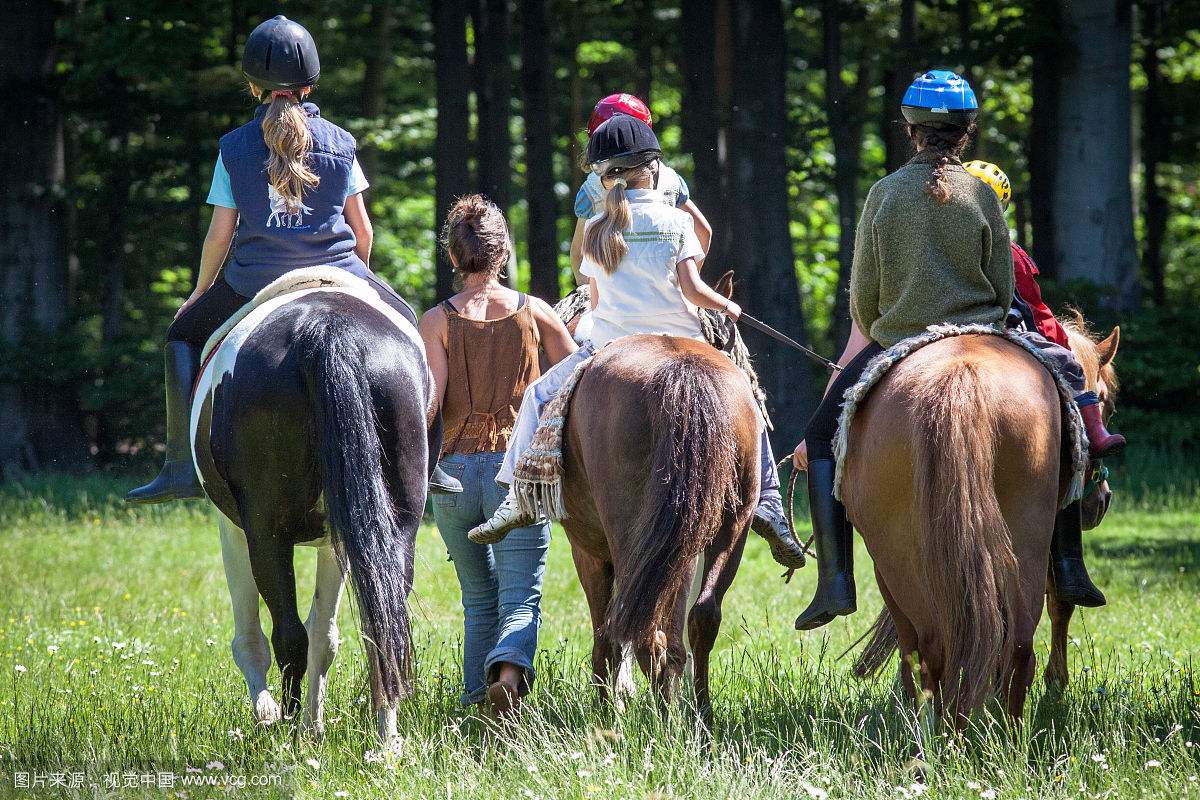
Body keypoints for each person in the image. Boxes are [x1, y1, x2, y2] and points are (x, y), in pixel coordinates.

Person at [125, 15, 459, 504]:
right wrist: (361, 273)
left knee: (180, 336)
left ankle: (179, 466)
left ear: (252, 84)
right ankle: (427, 460)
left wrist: (199, 292)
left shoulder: (234, 147)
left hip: (253, 279)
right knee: (408, 326)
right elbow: (362, 229)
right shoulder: (342, 142)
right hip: (338, 270)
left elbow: (220, 235)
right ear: (310, 82)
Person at [467, 115, 807, 569]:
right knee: (746, 399)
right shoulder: (674, 220)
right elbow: (691, 290)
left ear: (604, 176)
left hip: (610, 345)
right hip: (682, 337)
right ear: (654, 166)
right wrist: (728, 308)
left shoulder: (597, 228)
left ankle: (519, 494)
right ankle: (766, 501)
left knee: (537, 395)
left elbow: (593, 297)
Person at [792, 70, 1020, 630]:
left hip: (901, 343)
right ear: (967, 130)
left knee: (822, 437)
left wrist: (892, 322)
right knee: (1063, 406)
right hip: (985, 336)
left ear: (910, 130)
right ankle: (1065, 561)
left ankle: (835, 582)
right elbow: (1003, 285)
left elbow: (865, 299)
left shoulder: (884, 194)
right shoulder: (982, 194)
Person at [418, 196, 577, 715]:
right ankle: (508, 674)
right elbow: (578, 378)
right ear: (503, 251)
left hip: (455, 476)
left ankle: (472, 707)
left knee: (477, 600)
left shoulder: (437, 321)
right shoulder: (537, 313)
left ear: (453, 256)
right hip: (519, 474)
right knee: (520, 595)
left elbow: (431, 404)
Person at [962, 159, 1125, 456]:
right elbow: (1034, 310)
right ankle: (1095, 433)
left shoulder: (935, 247)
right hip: (998, 329)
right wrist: (1063, 345)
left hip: (931, 325)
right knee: (1070, 367)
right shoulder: (1010, 254)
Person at [568, 94, 712, 286]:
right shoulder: (671, 181)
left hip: (609, 299)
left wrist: (587, 292)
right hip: (663, 290)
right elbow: (704, 233)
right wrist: (685, 282)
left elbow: (578, 255)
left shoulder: (591, 190)